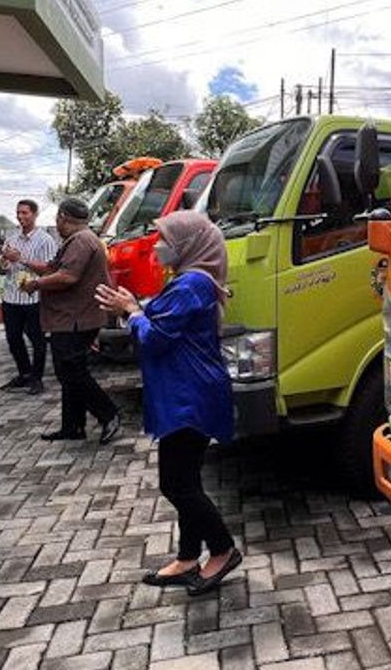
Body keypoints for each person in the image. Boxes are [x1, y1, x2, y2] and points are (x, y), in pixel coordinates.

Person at [95, 210, 240, 595]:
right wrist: (132, 307)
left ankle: (223, 549)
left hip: (189, 395)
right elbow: (156, 317)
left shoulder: (192, 282)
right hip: (188, 391)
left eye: (164, 240)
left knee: (176, 484)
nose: (157, 246)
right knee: (186, 480)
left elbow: (156, 337)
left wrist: (131, 312)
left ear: (188, 246)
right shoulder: (189, 280)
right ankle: (189, 557)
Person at [17, 197, 120, 444]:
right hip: (72, 317)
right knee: (67, 371)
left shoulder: (82, 241)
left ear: (63, 217)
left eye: (57, 219)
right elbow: (54, 268)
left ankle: (109, 414)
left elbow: (68, 276)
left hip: (75, 318)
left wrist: (36, 284)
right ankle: (72, 426)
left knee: (72, 370)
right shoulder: (79, 240)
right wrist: (25, 263)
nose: (56, 223)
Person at [0, 199, 56, 395]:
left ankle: (37, 378)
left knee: (37, 339)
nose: (21, 217)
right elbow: (0, 269)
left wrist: (20, 259)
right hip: (11, 296)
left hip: (33, 297)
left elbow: (49, 269)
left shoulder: (45, 240)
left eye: (25, 213)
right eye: (18, 213)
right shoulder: (11, 239)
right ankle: (24, 373)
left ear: (34, 214)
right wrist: (4, 262)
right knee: (13, 338)